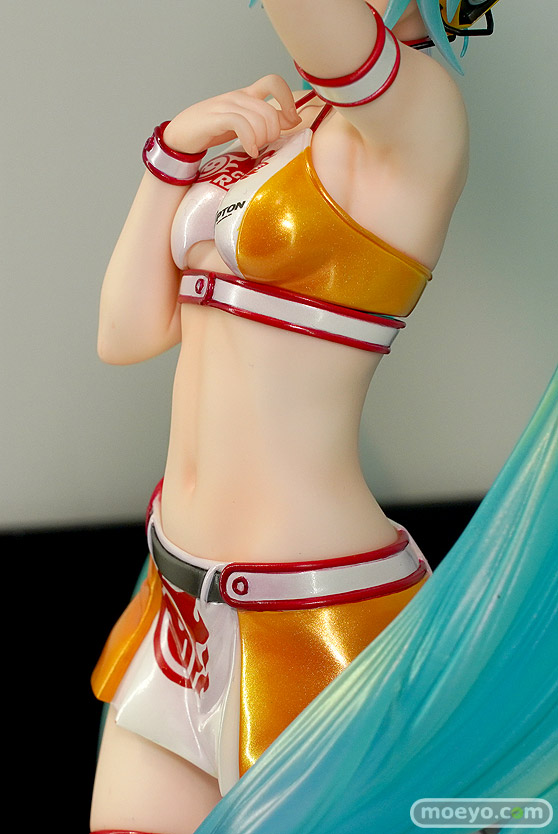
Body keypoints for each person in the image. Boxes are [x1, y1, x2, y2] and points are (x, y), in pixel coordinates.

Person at [89, 2, 520, 833]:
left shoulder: (422, 111)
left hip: (315, 623)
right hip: (176, 604)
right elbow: (126, 334)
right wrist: (172, 152)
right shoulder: (290, 115)